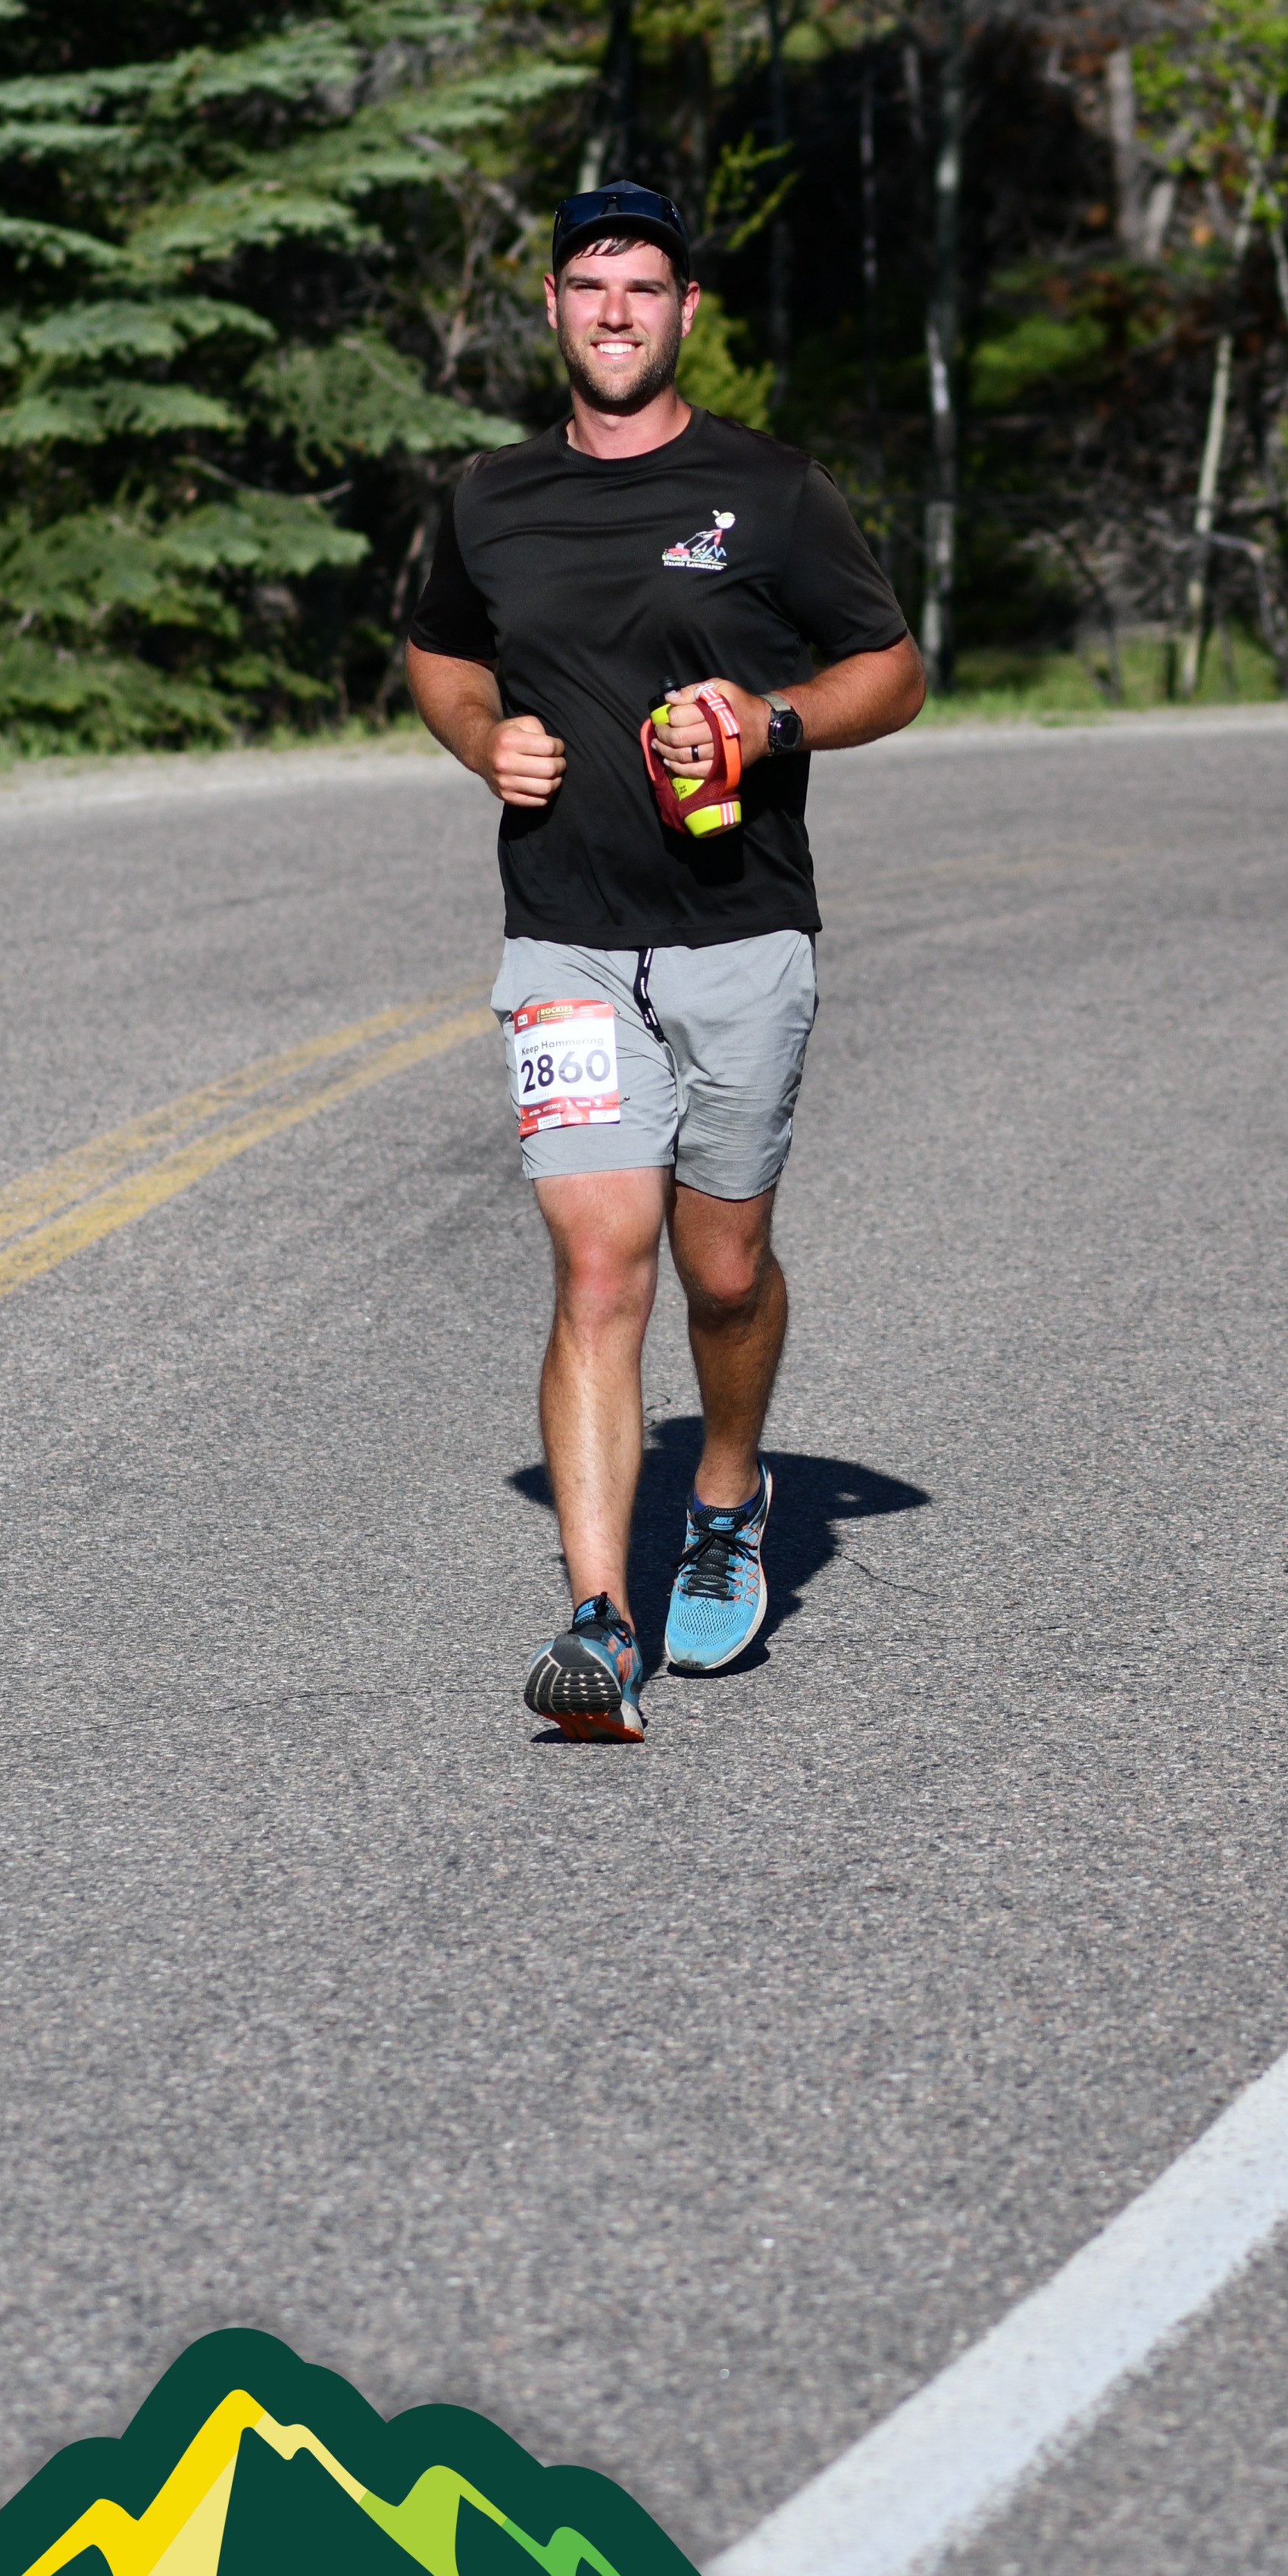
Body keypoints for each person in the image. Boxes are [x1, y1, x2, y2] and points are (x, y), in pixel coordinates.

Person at [406, 178, 924, 1740]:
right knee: (598, 1264)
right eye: (590, 286)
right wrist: (482, 737)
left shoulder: (770, 493)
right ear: (552, 308)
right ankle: (597, 1618)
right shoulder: (490, 497)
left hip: (740, 940)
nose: (615, 312)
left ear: (686, 311)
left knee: (723, 1270)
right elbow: (440, 649)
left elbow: (892, 670)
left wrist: (774, 721)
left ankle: (725, 1492)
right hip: (564, 943)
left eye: (643, 287)